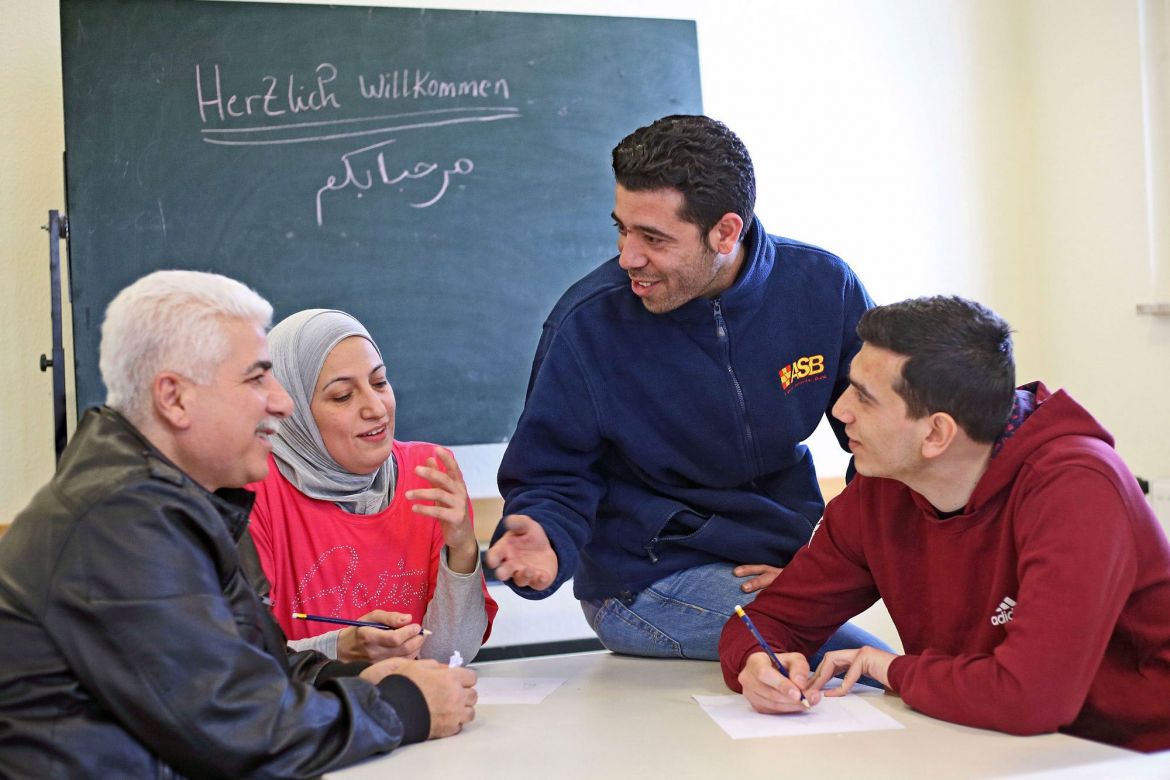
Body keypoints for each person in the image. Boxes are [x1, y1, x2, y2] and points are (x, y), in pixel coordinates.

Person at [0, 271, 477, 778]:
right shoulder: (120, 521)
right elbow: (235, 731)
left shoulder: (176, 501)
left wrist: (360, 675)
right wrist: (403, 706)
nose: (282, 401)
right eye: (255, 378)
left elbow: (251, 666)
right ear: (175, 399)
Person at [486, 113, 890, 661]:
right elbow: (551, 472)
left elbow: (886, 441)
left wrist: (832, 563)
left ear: (726, 232)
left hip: (779, 559)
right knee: (858, 666)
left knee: (899, 655)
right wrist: (546, 537)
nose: (629, 256)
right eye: (621, 229)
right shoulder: (588, 323)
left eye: (653, 238)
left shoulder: (824, 288)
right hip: (645, 583)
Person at [719, 295, 1170, 752]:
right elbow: (768, 620)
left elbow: (1029, 697)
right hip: (983, 740)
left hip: (1124, 755)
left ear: (936, 434)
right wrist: (756, 662)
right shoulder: (886, 483)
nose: (840, 410)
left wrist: (888, 668)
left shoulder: (1078, 487)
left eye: (865, 398)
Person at [248, 308, 498, 664]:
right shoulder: (255, 490)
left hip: (413, 708)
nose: (375, 408)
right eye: (342, 396)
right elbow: (243, 664)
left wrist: (462, 551)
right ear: (294, 410)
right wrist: (339, 649)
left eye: (380, 383)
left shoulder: (428, 472)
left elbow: (449, 656)